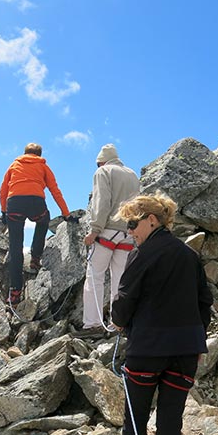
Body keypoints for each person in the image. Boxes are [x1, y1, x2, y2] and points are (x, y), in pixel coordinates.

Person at [108, 192, 213, 435]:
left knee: (136, 420)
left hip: (148, 349)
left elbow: (124, 303)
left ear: (151, 219)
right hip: (185, 352)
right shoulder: (188, 254)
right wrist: (191, 336)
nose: (130, 231)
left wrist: (119, 319)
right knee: (171, 423)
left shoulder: (144, 253)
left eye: (132, 224)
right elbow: (204, 302)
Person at [74, 143, 140, 338]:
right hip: (127, 232)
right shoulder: (132, 175)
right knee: (120, 280)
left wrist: (94, 230)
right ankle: (117, 323)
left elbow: (102, 202)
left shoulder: (103, 172)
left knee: (95, 277)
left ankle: (92, 324)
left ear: (101, 161)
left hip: (107, 231)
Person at [0, 142, 77, 304]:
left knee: (15, 247)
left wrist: (4, 211)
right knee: (43, 220)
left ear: (25, 152)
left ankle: (15, 292)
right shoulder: (43, 167)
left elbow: (3, 190)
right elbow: (55, 190)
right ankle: (35, 258)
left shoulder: (14, 165)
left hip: (14, 204)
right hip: (36, 202)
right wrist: (66, 214)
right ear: (39, 155)